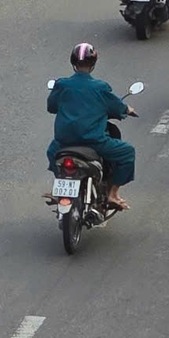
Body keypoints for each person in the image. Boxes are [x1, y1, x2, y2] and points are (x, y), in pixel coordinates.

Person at [47, 43, 139, 212]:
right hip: (95, 142)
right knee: (127, 152)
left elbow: (51, 107)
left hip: (63, 141)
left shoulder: (61, 85)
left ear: (73, 63)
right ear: (93, 64)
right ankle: (113, 194)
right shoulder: (100, 87)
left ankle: (60, 186)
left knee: (51, 152)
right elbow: (118, 107)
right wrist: (128, 110)